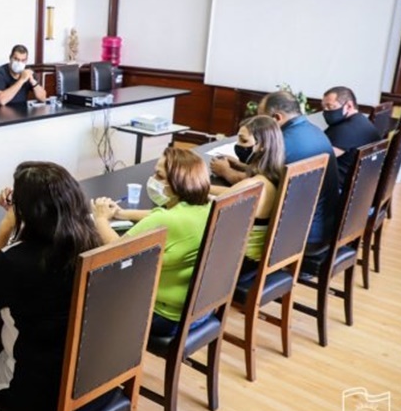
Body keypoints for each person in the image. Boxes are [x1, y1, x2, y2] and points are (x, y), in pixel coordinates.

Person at [0, 161, 117, 411]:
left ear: (26, 212)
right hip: (96, 380)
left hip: (39, 395)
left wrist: (7, 226)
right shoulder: (91, 243)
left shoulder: (15, 261)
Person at [109, 147, 212, 337]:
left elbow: (114, 254)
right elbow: (155, 215)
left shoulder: (167, 220)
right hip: (201, 310)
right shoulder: (207, 206)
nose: (153, 180)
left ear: (179, 182)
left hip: (165, 317)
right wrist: (120, 213)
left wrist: (100, 219)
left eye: (159, 176)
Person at [259, 91, 339, 249]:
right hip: (325, 226)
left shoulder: (283, 143)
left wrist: (226, 172)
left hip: (301, 236)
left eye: (262, 120)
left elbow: (259, 187)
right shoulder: (315, 131)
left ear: (277, 118)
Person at [210, 116, 285, 277]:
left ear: (262, 146)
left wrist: (188, 187)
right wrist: (204, 187)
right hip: (254, 260)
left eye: (244, 141)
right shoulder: (273, 175)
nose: (238, 146)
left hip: (239, 263)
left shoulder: (255, 185)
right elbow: (230, 194)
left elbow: (215, 206)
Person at [322, 86, 380, 187]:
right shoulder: (361, 121)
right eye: (324, 107)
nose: (326, 111)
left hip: (337, 190)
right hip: (359, 189)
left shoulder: (345, 130)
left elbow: (318, 159)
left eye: (330, 106)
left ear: (349, 106)